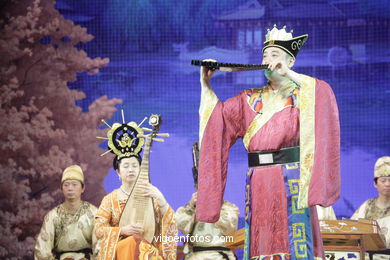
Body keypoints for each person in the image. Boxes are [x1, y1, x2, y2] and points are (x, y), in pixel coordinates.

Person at [196, 25, 340, 259]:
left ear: (289, 62)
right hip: (259, 181)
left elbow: (324, 98)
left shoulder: (301, 96)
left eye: (275, 55)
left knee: (294, 240)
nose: (268, 60)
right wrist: (206, 84)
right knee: (262, 240)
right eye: (265, 55)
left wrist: (290, 75)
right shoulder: (248, 99)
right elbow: (217, 123)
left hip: (290, 178)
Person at [94, 119, 177, 260]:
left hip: (147, 249)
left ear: (140, 169)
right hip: (119, 251)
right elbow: (98, 230)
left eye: (134, 166)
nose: (130, 169)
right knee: (131, 243)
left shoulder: (150, 194)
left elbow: (170, 224)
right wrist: (122, 230)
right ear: (118, 172)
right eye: (126, 166)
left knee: (141, 246)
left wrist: (161, 200)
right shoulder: (110, 199)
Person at [175, 142, 239, 260]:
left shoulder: (229, 208)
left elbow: (229, 228)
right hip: (196, 256)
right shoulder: (190, 208)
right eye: (201, 185)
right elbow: (181, 226)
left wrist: (212, 204)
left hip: (219, 256)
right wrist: (191, 207)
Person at [34, 165, 98, 260]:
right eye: (66, 185)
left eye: (74, 184)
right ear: (61, 188)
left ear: (83, 188)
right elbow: (42, 250)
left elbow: (101, 246)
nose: (70, 188)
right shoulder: (52, 216)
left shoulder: (94, 213)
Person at [351, 156, 390, 259]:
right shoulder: (367, 206)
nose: (387, 184)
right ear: (375, 183)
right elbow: (351, 229)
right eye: (383, 180)